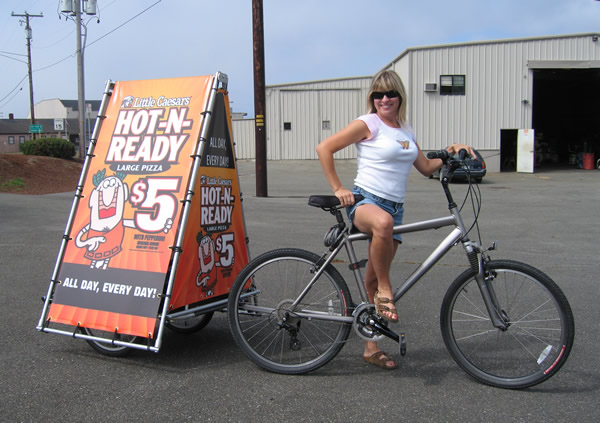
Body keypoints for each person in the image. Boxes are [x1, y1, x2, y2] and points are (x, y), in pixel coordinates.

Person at [316, 69, 474, 370]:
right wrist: (339, 188)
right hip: (366, 202)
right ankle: (387, 292)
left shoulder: (404, 129)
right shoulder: (369, 123)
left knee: (372, 278)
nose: (384, 98)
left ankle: (370, 348)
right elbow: (325, 148)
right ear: (372, 99)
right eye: (378, 94)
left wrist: (452, 152)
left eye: (390, 93)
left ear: (400, 97)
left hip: (395, 207)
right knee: (384, 228)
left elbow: (426, 167)